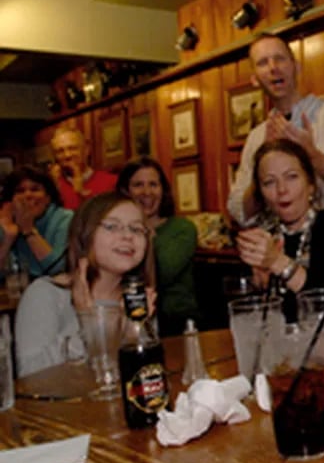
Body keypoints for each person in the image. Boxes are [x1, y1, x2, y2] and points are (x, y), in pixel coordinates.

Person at [227, 33, 324, 227]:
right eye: (263, 63)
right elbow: (239, 212)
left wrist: (314, 156)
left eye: (280, 58)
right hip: (277, 252)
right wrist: (263, 163)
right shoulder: (256, 138)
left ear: (296, 67)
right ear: (255, 79)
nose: (273, 68)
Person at [14, 192, 154, 377]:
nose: (127, 236)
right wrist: (89, 324)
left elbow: (143, 377)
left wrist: (132, 332)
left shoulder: (137, 299)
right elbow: (30, 376)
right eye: (112, 227)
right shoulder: (45, 293)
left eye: (136, 229)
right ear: (84, 234)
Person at [235, 138, 324, 323]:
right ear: (261, 194)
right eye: (269, 182)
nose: (282, 189)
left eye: (292, 177)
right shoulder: (262, 238)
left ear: (310, 183)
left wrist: (279, 263)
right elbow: (248, 320)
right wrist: (259, 285)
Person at [117, 157, 201, 337]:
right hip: (124, 317)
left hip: (176, 322)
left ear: (163, 190)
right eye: (138, 185)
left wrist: (145, 235)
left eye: (153, 184)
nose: (147, 192)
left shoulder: (182, 228)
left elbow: (163, 272)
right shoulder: (117, 232)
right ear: (126, 191)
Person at [0, 165, 73, 278]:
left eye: (35, 189)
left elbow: (58, 270)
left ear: (48, 197)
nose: (27, 195)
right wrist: (8, 238)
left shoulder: (65, 219)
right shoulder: (7, 222)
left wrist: (29, 231)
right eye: (20, 191)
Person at [49, 126, 117, 210]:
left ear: (86, 150)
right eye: (60, 151)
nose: (67, 155)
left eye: (72, 148)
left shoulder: (111, 182)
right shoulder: (53, 187)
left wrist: (82, 192)